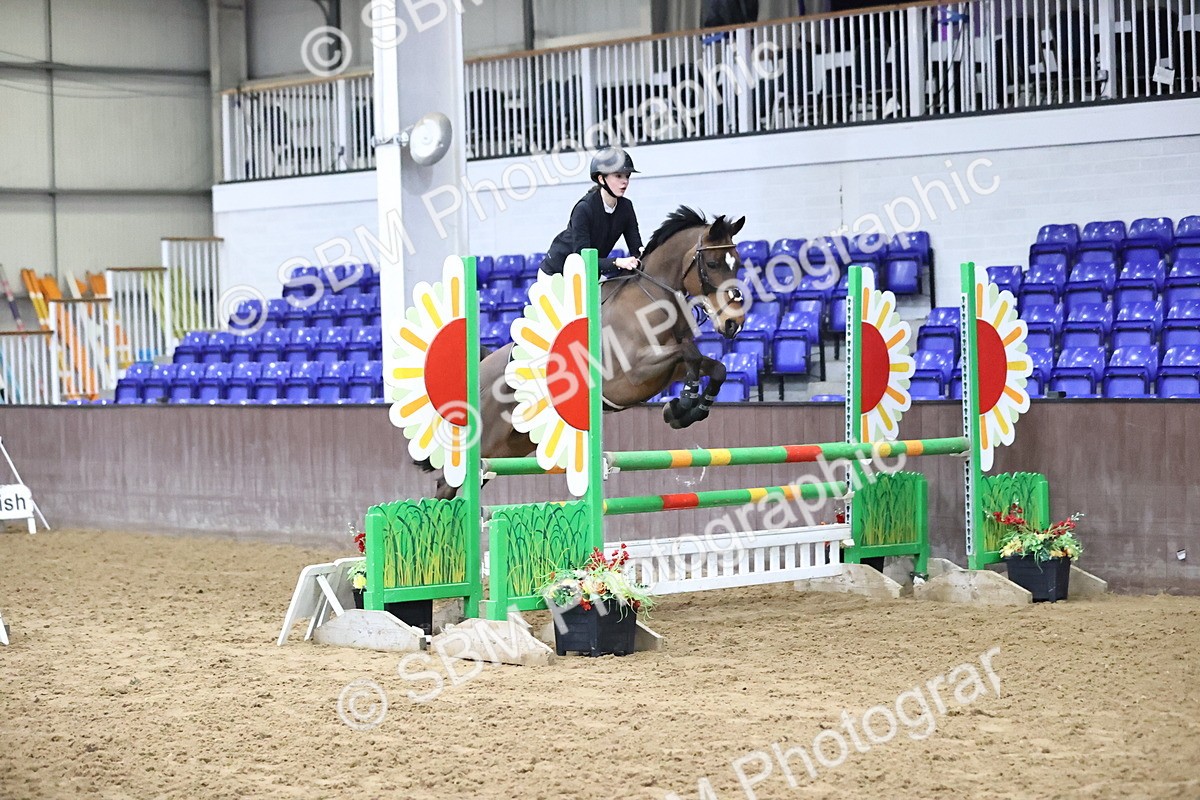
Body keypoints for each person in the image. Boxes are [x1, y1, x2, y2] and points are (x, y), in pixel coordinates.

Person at [540, 147, 644, 279]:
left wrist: (643, 254)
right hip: (556, 274)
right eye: (618, 176)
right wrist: (617, 262)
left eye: (627, 176)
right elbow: (583, 260)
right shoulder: (584, 209)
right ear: (601, 179)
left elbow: (637, 249)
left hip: (590, 273)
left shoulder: (626, 207)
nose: (625, 181)